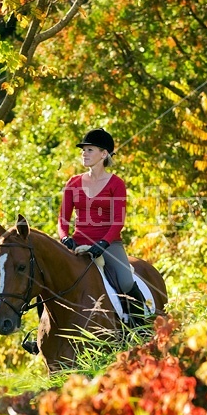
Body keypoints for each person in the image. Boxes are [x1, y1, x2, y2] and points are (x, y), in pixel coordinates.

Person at [57, 127, 147, 326]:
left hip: (108, 245)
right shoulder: (73, 183)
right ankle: (42, 333)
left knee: (125, 281)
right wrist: (64, 237)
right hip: (77, 243)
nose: (84, 153)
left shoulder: (116, 184)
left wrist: (103, 244)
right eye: (83, 150)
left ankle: (141, 327)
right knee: (48, 275)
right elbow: (63, 219)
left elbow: (118, 221)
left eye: (89, 150)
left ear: (104, 154)